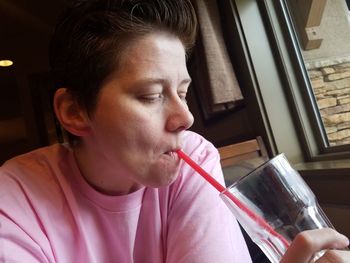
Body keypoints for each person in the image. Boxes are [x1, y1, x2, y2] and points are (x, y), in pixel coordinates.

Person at [0, 0, 349, 262]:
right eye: (151, 96)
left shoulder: (192, 155)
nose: (185, 118)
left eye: (182, 93)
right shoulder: (14, 197)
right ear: (74, 112)